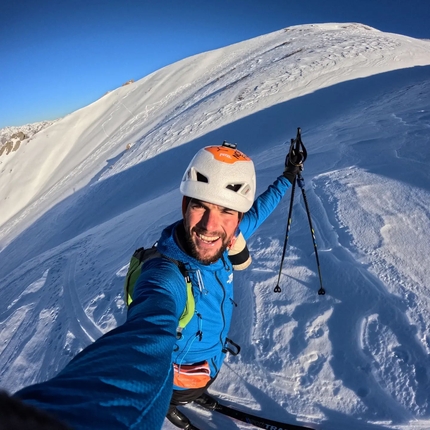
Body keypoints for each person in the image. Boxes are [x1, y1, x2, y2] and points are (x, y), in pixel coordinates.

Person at [13, 142, 303, 430]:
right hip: (180, 380)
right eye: (199, 205)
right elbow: (143, 338)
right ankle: (171, 402)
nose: (210, 226)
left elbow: (262, 207)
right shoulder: (165, 274)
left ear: (238, 218)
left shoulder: (227, 240)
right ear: (184, 206)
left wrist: (289, 174)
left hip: (209, 363)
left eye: (226, 210)